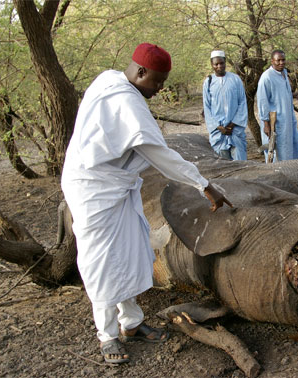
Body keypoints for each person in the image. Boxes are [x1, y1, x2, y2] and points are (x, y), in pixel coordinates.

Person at [61, 43, 232, 365]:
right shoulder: (125, 100)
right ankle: (107, 334)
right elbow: (160, 155)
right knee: (101, 262)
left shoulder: (109, 79)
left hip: (115, 186)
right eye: (157, 81)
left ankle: (132, 322)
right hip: (93, 190)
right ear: (140, 72)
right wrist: (205, 185)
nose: (160, 88)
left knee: (127, 250)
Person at [256, 50, 298, 162]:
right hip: (276, 123)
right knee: (277, 154)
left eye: (283, 60)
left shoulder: (284, 73)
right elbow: (262, 102)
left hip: (288, 121)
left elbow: (282, 95)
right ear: (272, 61)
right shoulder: (266, 77)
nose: (281, 63)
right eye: (278, 60)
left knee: (295, 150)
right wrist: (266, 124)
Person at [202, 50, 248, 160]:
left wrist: (233, 124)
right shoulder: (208, 82)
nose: (219, 66)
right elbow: (207, 107)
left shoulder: (235, 79)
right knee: (223, 165)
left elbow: (242, 102)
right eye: (216, 64)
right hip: (218, 133)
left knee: (240, 164)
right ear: (212, 65)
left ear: (225, 62)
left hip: (235, 130)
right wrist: (218, 127)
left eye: (221, 63)